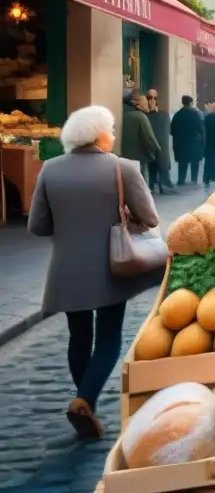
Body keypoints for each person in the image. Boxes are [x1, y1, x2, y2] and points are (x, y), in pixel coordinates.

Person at [28, 105, 160, 439]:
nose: (113, 135)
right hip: (112, 265)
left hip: (68, 269)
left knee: (79, 337)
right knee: (109, 336)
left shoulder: (50, 169)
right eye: (111, 129)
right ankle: (84, 400)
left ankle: (84, 402)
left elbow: (38, 226)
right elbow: (151, 218)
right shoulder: (123, 168)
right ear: (100, 134)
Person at [120, 89, 160, 186]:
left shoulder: (124, 115)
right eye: (145, 102)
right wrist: (157, 149)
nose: (147, 103)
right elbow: (149, 138)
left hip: (126, 155)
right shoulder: (141, 117)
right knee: (142, 183)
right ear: (137, 105)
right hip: (140, 156)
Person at [145, 89, 175, 194]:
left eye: (154, 98)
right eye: (149, 98)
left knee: (162, 164)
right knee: (151, 167)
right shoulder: (144, 114)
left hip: (161, 146)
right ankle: (152, 184)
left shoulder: (163, 114)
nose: (152, 100)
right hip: (149, 147)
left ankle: (163, 183)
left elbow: (168, 130)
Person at [171, 95, 205, 186]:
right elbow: (201, 129)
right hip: (194, 143)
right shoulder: (196, 114)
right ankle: (194, 181)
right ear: (191, 103)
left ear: (182, 102)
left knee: (182, 164)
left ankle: (181, 181)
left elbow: (172, 131)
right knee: (195, 163)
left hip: (181, 144)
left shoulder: (177, 115)